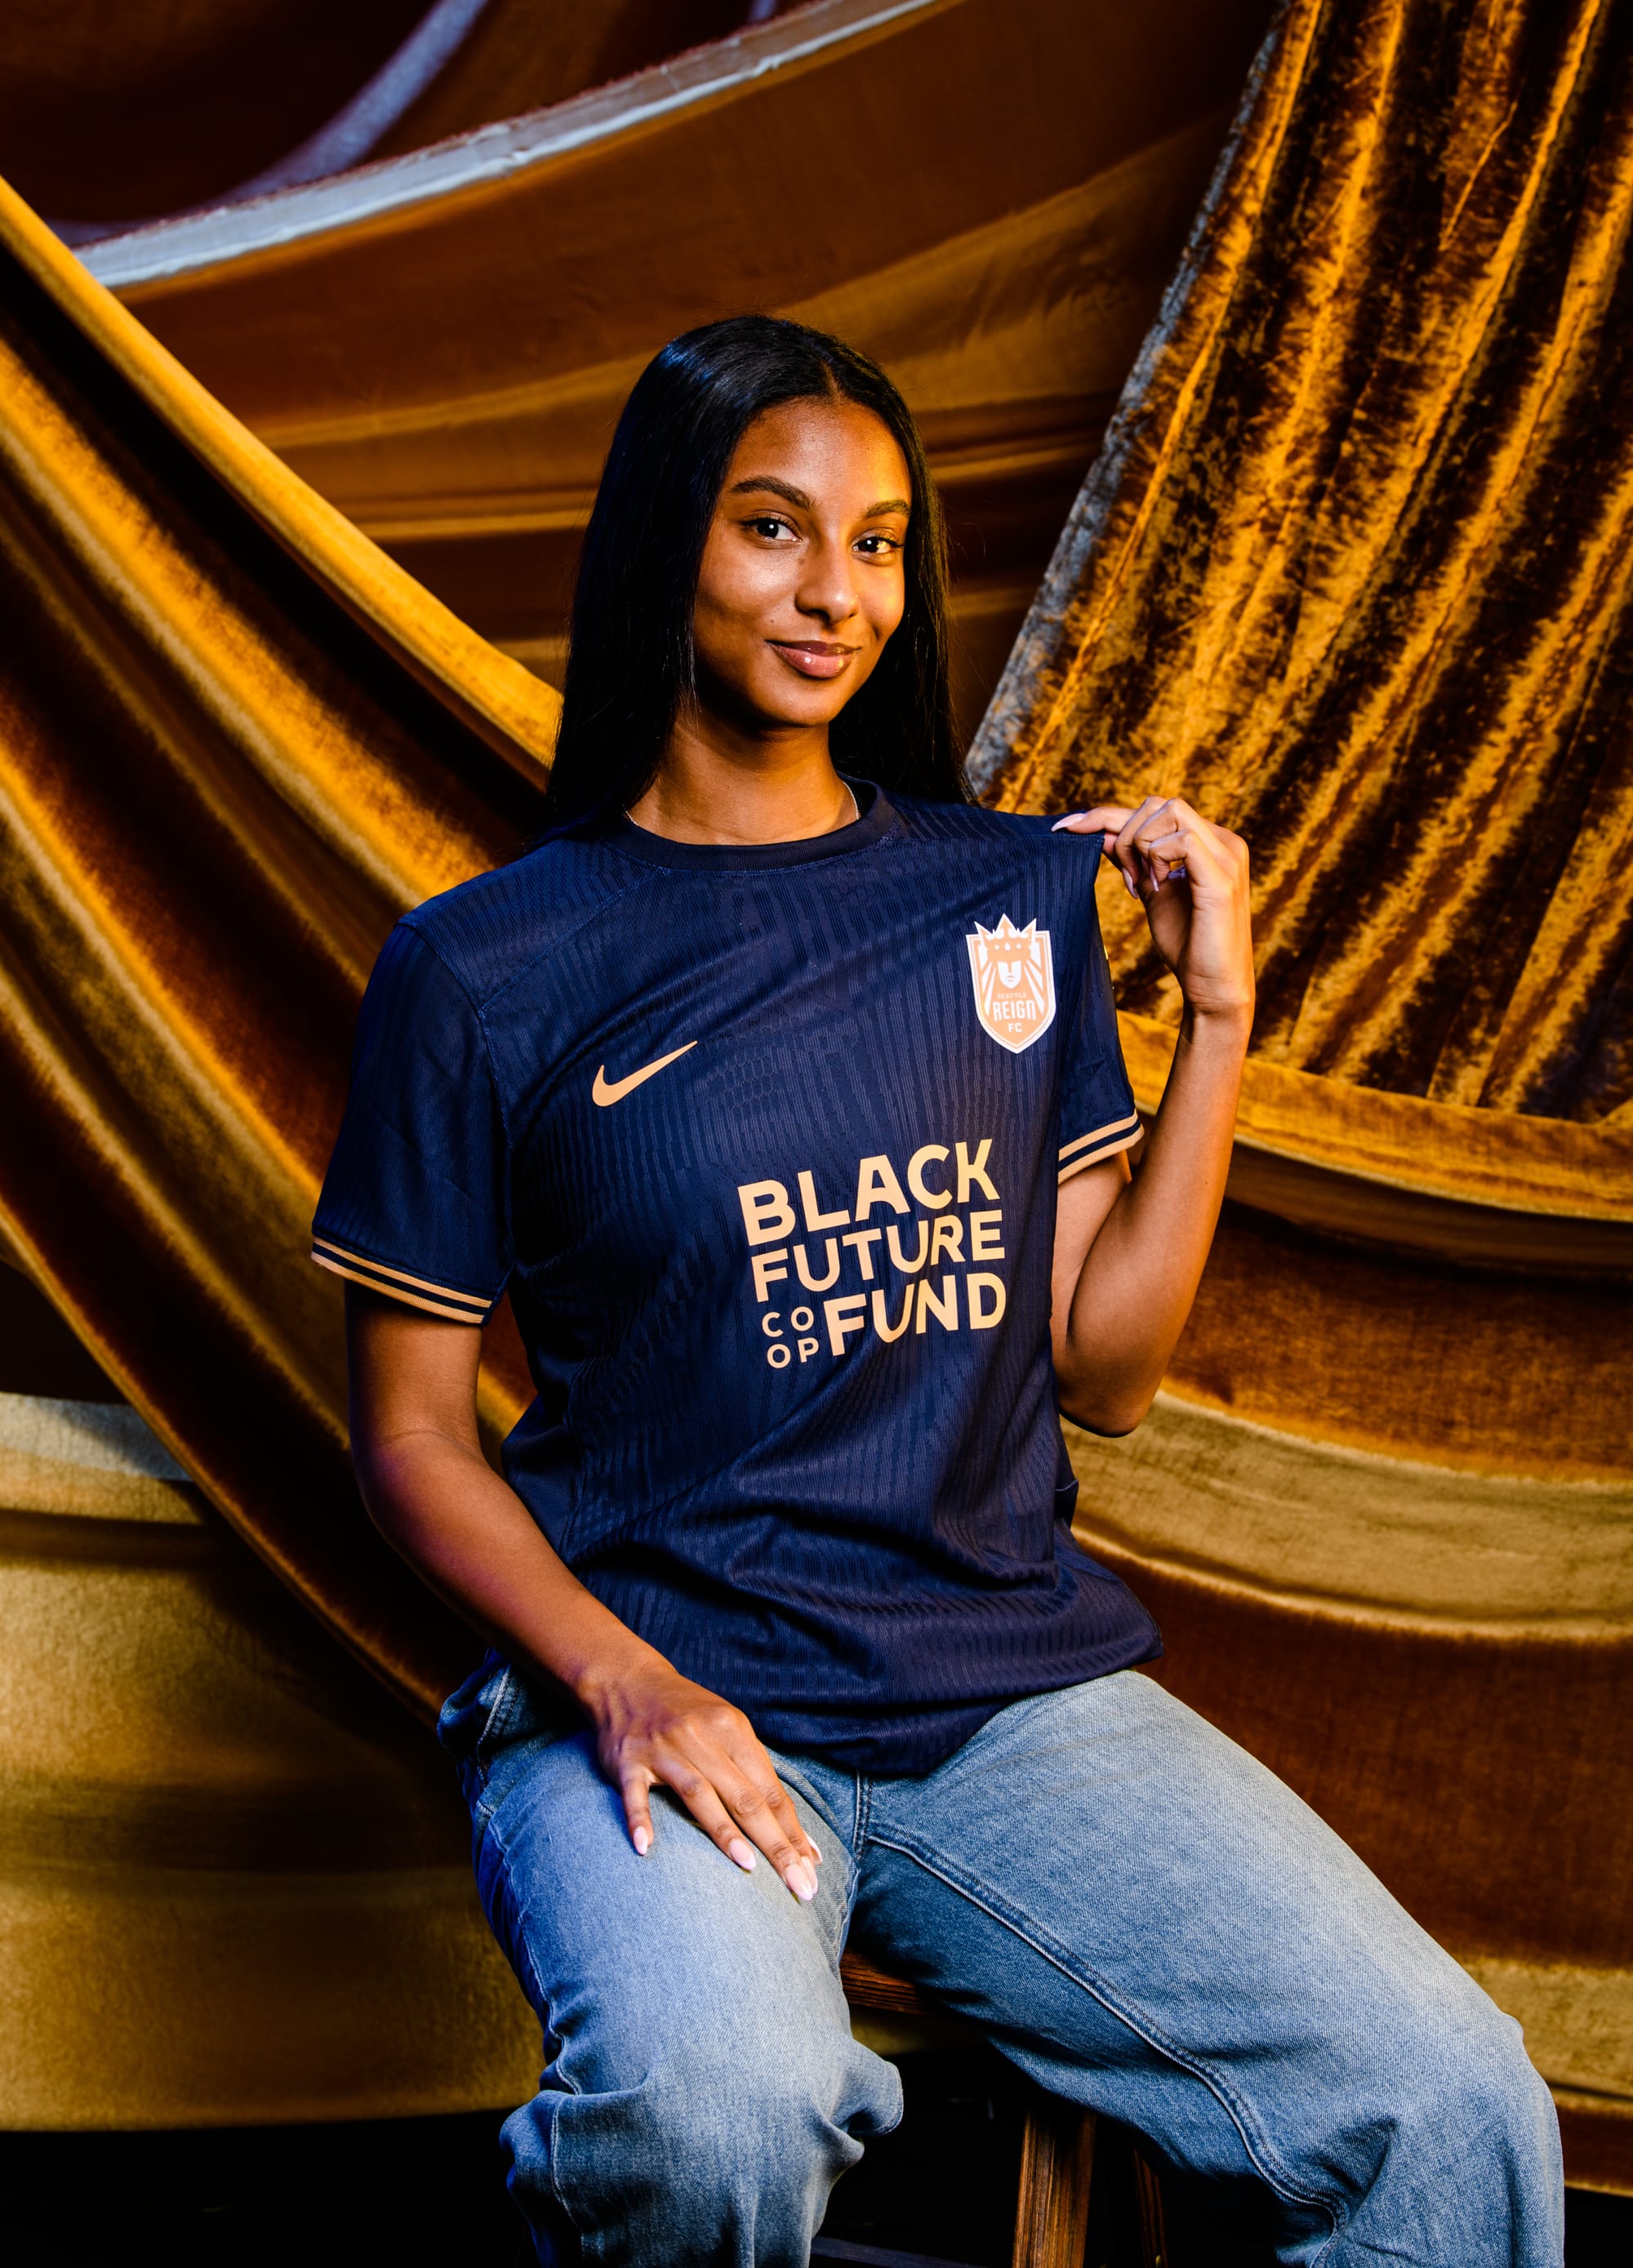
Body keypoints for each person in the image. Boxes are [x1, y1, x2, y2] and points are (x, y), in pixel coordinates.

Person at [314, 317, 1562, 2265]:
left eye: (882, 543)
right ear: (667, 546)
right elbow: (403, 1435)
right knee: (716, 2121)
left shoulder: (1000, 904)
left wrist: (1215, 1015)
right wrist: (626, 1685)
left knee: (1454, 2105)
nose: (837, 594)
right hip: (667, 1682)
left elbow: (1111, 1368)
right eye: (774, 529)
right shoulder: (487, 968)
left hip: (1012, 1702)